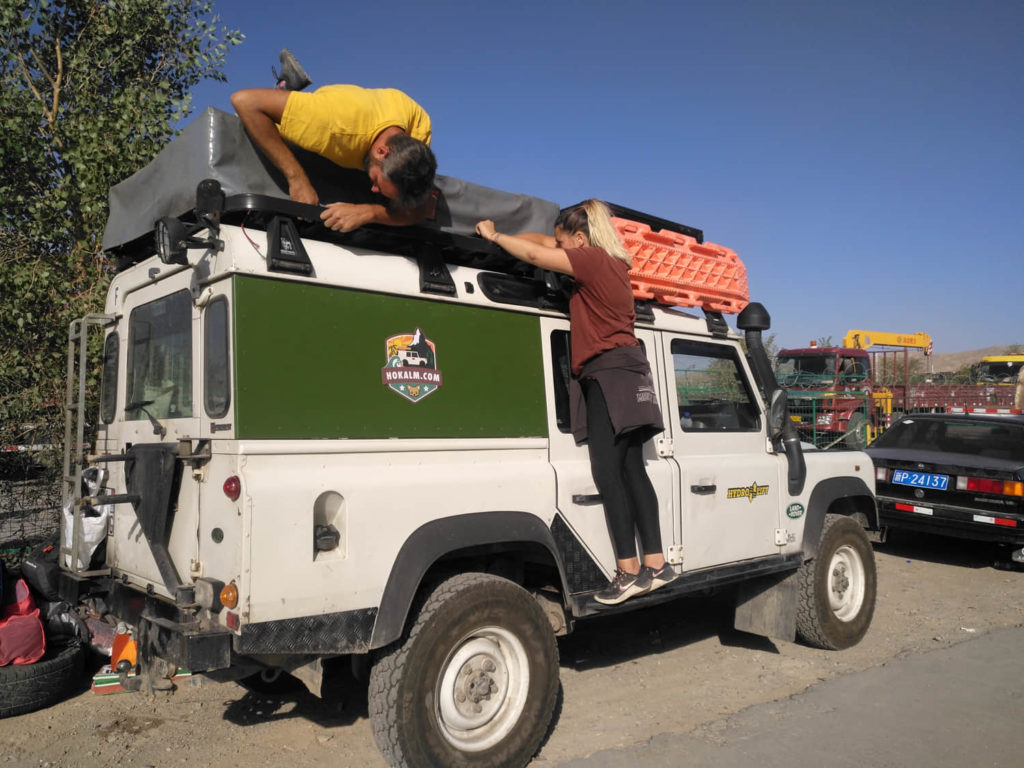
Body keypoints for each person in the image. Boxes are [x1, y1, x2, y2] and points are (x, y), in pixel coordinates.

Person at [476, 200, 677, 605]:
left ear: (581, 240)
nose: (558, 247)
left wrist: (494, 236)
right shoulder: (616, 265)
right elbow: (540, 243)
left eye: (563, 242)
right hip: (631, 372)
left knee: (607, 472)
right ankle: (657, 565)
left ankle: (627, 571)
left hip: (606, 373)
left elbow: (535, 253)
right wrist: (503, 230)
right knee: (633, 469)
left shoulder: (590, 261)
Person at [230, 50, 437, 233]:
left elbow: (419, 210)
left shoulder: (420, 129)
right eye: (376, 181)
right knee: (257, 126)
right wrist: (297, 179)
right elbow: (245, 101)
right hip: (339, 113)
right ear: (382, 152)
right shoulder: (332, 127)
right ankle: (284, 88)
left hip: (378, 106)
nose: (373, 189)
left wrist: (369, 212)